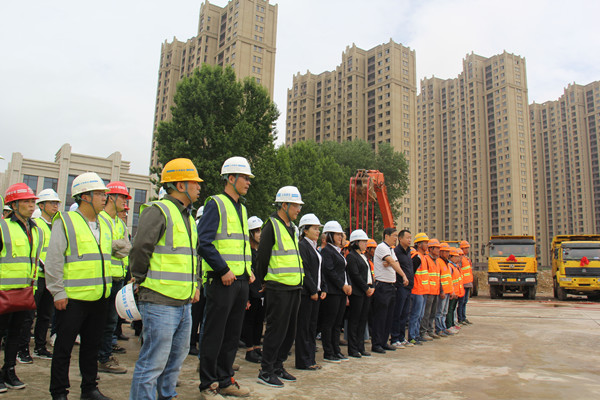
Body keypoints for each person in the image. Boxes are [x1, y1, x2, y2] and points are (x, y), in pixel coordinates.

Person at [129, 158, 202, 400]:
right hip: (159, 301)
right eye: (194, 182)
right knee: (153, 363)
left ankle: (166, 395)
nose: (199, 186)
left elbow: (192, 257)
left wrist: (195, 285)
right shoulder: (158, 211)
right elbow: (140, 249)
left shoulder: (188, 217)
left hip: (183, 303)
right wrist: (140, 279)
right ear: (180, 185)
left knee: (175, 361)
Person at [45, 173, 113, 400]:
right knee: (64, 348)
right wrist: (58, 291)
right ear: (85, 197)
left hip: (99, 297)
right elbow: (54, 259)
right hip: (72, 299)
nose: (104, 198)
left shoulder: (104, 223)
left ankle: (89, 389)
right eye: (100, 193)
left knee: (91, 347)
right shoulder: (66, 221)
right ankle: (59, 392)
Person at [197, 156, 255, 398]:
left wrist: (248, 271)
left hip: (240, 281)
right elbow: (203, 242)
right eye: (245, 178)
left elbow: (241, 245)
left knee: (232, 335)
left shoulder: (242, 208)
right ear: (231, 178)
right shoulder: (216, 204)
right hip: (222, 281)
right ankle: (208, 384)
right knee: (214, 334)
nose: (248, 182)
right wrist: (222, 269)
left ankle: (225, 379)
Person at [254, 186, 304, 388]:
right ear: (284, 205)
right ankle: (266, 371)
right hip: (278, 287)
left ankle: (278, 365)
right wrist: (263, 281)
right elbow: (262, 258)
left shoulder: (293, 228)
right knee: (276, 330)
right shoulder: (271, 226)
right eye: (296, 205)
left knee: (289, 332)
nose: (298, 209)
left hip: (294, 286)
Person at [0, 183, 43, 392]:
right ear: (14, 205)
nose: (31, 205)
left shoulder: (36, 230)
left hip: (25, 292)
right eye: (26, 201)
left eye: (32, 201)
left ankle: (9, 371)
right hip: (3, 292)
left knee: (15, 335)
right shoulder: (3, 227)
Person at [95, 182, 131, 375]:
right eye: (123, 197)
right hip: (103, 278)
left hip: (117, 278)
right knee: (100, 321)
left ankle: (105, 356)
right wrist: (117, 246)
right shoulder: (100, 219)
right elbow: (101, 246)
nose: (125, 201)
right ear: (111, 197)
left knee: (110, 321)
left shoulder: (120, 223)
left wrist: (115, 246)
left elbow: (127, 247)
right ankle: (99, 357)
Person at [31, 189, 60, 360]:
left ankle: (40, 347)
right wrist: (43, 266)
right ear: (41, 206)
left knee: (45, 315)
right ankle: (22, 349)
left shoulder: (56, 225)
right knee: (29, 315)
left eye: (57, 203)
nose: (55, 206)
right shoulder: (36, 224)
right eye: (52, 203)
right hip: (38, 277)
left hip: (51, 277)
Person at [295, 214, 326, 370]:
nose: (317, 231)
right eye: (314, 228)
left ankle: (311, 359)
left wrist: (322, 288)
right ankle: (303, 361)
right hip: (306, 294)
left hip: (315, 293)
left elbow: (319, 271)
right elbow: (305, 270)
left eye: (318, 229)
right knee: (304, 327)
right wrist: (313, 290)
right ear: (305, 230)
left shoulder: (313, 247)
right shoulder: (302, 246)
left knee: (311, 327)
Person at [371, 228, 408, 353]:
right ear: (386, 236)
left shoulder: (391, 249)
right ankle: (377, 344)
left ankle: (383, 342)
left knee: (388, 317)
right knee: (380, 317)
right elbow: (392, 261)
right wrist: (403, 275)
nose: (396, 238)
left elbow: (394, 262)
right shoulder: (382, 247)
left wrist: (391, 263)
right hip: (382, 286)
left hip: (391, 286)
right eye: (394, 235)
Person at [319, 220, 352, 363]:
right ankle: (328, 352)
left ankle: (336, 350)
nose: (340, 237)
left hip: (340, 292)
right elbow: (329, 271)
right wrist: (342, 285)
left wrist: (347, 285)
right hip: (332, 292)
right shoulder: (327, 251)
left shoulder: (338, 252)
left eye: (341, 235)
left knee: (337, 323)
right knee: (329, 322)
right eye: (337, 235)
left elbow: (343, 271)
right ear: (330, 236)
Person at [346, 229, 374, 358]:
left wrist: (372, 287)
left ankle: (360, 347)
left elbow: (368, 274)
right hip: (358, 292)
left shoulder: (363, 256)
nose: (366, 244)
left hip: (366, 292)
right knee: (355, 320)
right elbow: (355, 275)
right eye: (363, 241)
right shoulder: (351, 256)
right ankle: (353, 349)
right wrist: (366, 288)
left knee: (363, 320)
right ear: (356, 242)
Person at [241, 216, 265, 364]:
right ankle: (249, 350)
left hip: (260, 292)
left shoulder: (259, 252)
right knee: (249, 321)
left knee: (259, 321)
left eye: (260, 230)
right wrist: (246, 297)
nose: (259, 234)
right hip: (250, 292)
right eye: (256, 231)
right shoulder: (247, 252)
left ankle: (257, 347)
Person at [390, 229, 414, 349]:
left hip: (408, 287)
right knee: (397, 313)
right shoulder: (396, 252)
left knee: (405, 314)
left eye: (410, 238)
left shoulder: (409, 252)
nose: (409, 240)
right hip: (400, 286)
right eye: (407, 238)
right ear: (400, 239)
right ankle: (394, 338)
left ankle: (401, 337)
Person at [408, 233, 430, 345]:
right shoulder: (417, 257)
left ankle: (416, 335)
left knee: (420, 315)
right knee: (415, 315)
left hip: (422, 290)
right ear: (419, 244)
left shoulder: (423, 257)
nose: (427, 245)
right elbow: (411, 273)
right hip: (417, 291)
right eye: (425, 243)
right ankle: (412, 336)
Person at [420, 238, 441, 342]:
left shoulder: (436, 261)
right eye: (436, 248)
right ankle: (423, 332)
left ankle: (430, 330)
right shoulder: (426, 259)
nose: (438, 250)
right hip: (428, 291)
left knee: (433, 313)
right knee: (426, 313)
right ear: (431, 249)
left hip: (435, 290)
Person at [435, 243, 454, 337]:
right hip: (442, 291)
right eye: (445, 252)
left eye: (448, 252)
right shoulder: (439, 262)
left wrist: (451, 291)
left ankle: (443, 327)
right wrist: (441, 290)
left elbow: (448, 278)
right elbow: (439, 278)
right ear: (441, 252)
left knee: (444, 312)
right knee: (440, 312)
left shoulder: (446, 263)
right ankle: (439, 329)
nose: (447, 254)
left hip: (447, 291)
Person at [447, 248, 465, 332]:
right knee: (450, 309)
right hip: (452, 292)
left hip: (456, 292)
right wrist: (452, 291)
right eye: (456, 256)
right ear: (451, 257)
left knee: (452, 308)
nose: (458, 258)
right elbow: (450, 280)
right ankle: (449, 325)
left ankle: (452, 324)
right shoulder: (450, 266)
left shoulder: (455, 266)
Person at [458, 241, 474, 325]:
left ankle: (463, 317)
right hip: (463, 283)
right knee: (461, 302)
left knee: (465, 301)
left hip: (467, 283)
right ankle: (460, 318)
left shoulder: (466, 258)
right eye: (466, 248)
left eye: (468, 248)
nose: (467, 250)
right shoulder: (461, 259)